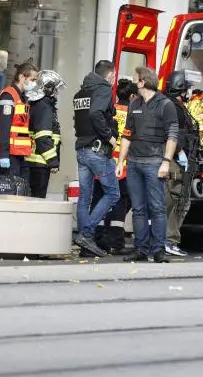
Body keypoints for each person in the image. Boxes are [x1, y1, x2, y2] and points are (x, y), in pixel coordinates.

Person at [116, 66, 179, 264]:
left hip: (154, 163)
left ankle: (159, 250)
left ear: (143, 82)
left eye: (135, 79)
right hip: (134, 163)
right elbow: (127, 135)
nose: (133, 82)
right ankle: (141, 249)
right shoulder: (134, 103)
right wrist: (120, 162)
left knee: (157, 207)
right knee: (138, 209)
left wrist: (166, 162)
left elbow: (172, 135)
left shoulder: (165, 104)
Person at [73, 60, 121, 257]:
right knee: (113, 193)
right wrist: (110, 137)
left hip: (82, 149)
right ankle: (86, 234)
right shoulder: (103, 90)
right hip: (97, 150)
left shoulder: (81, 93)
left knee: (85, 197)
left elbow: (80, 120)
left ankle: (86, 246)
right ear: (109, 75)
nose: (114, 80)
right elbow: (95, 114)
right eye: (114, 76)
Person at [89, 78, 138, 256]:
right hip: (121, 167)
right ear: (132, 96)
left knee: (99, 200)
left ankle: (96, 238)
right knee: (119, 203)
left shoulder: (108, 110)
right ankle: (115, 242)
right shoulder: (134, 114)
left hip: (101, 162)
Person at [163, 70, 200, 257]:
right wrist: (180, 153)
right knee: (181, 201)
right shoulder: (174, 108)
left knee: (169, 201)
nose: (188, 93)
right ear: (181, 89)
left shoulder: (165, 103)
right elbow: (171, 133)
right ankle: (170, 241)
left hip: (171, 159)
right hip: (175, 160)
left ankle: (161, 240)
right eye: (186, 89)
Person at [0, 62, 38, 188]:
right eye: (32, 79)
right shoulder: (8, 96)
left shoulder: (22, 98)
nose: (34, 83)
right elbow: (4, 127)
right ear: (22, 77)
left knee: (22, 190)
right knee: (10, 191)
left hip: (20, 154)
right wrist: (4, 155)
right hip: (9, 154)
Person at [26, 70, 66, 199]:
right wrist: (53, 161)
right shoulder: (44, 107)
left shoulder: (41, 105)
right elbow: (42, 137)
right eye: (55, 89)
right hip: (40, 164)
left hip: (37, 163)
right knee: (37, 200)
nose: (57, 92)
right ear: (48, 89)